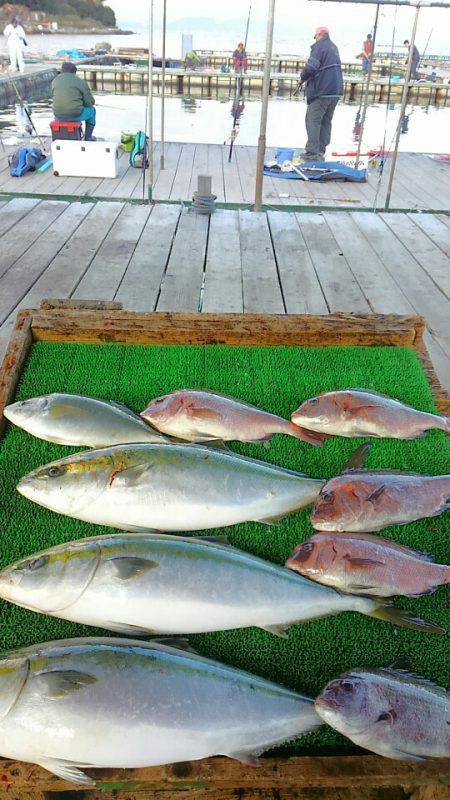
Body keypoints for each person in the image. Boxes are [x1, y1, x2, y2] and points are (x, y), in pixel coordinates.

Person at [300, 27, 343, 162]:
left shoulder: (319, 47)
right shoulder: (334, 47)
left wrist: (302, 77)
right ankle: (321, 151)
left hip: (322, 91)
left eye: (315, 37)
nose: (315, 39)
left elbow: (311, 67)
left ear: (319, 35)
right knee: (326, 121)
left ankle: (312, 154)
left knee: (312, 120)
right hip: (335, 91)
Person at [52, 62, 97, 141]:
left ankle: (63, 134)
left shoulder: (55, 81)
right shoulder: (80, 81)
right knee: (92, 111)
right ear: (75, 72)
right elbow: (89, 103)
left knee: (61, 110)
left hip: (57, 115)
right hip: (75, 114)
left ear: (62, 71)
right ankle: (88, 137)